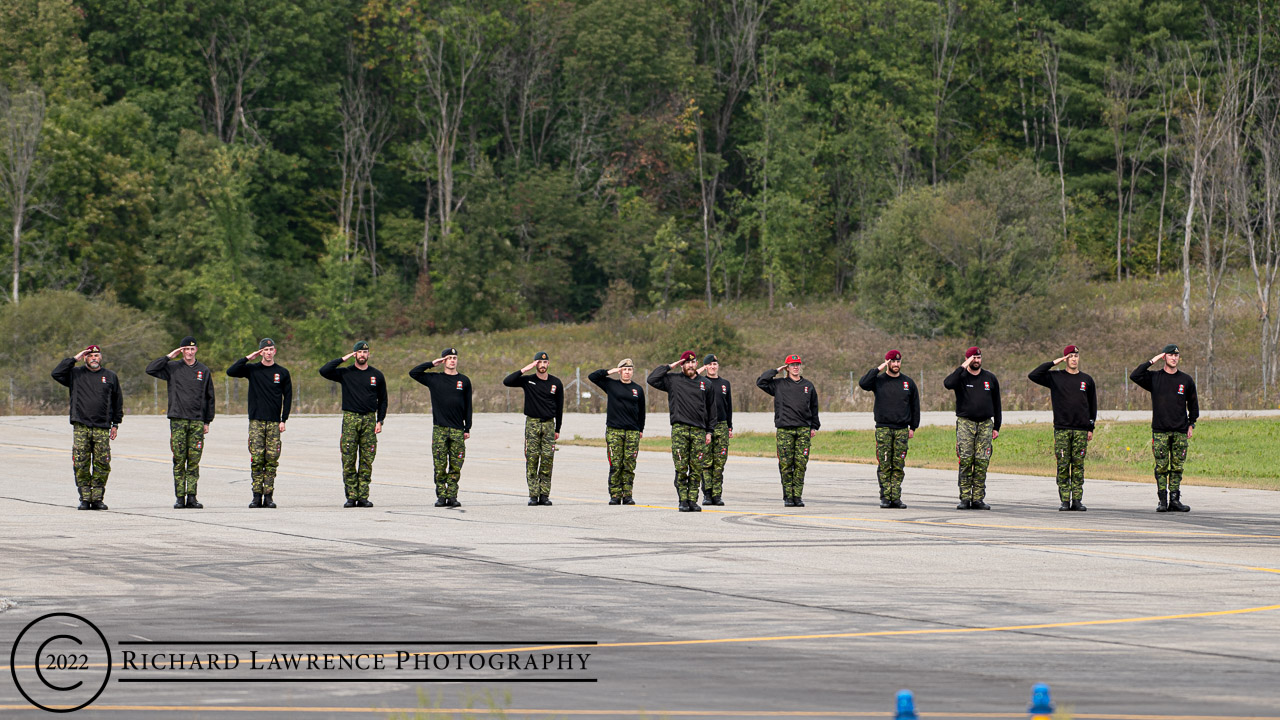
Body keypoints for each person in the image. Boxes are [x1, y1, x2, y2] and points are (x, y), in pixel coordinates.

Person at [146, 336, 216, 509]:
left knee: (193, 461)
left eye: (192, 349)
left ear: (196, 350)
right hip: (178, 419)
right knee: (179, 460)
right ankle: (180, 497)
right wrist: (169, 356)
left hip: (197, 421)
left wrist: (207, 420)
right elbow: (151, 369)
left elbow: (210, 397)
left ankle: (192, 496)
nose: (189, 352)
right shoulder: (172, 367)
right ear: (182, 351)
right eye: (186, 349)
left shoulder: (203, 370)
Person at [51, 345, 123, 510]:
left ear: (101, 357)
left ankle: (97, 498)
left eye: (96, 355)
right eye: (90, 355)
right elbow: (56, 373)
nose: (94, 358)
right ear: (85, 358)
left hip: (102, 427)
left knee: (102, 463)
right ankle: (84, 498)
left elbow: (117, 401)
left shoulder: (110, 376)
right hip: (81, 426)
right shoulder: (75, 374)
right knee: (81, 463)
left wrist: (115, 424)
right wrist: (74, 359)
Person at [1130, 344, 1199, 513]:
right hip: (1160, 430)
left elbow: (1193, 404)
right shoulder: (1155, 378)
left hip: (1180, 430)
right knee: (1161, 467)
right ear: (1164, 358)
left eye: (1176, 355)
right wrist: (1152, 361)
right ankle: (1162, 500)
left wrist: (1191, 423)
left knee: (1177, 467)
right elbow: (1135, 375)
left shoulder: (1186, 380)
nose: (1174, 358)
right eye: (1170, 355)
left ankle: (1175, 499)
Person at [319, 341, 387, 508]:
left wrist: (380, 420)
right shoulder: (345, 373)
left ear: (368, 354)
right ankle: (351, 496)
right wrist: (343, 359)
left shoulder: (376, 375)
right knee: (348, 458)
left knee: (366, 459)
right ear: (355, 354)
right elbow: (324, 371)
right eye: (359, 352)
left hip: (369, 419)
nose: (362, 355)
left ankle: (363, 496)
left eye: (365, 352)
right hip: (350, 419)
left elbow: (383, 400)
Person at [1028, 345, 1097, 511]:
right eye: (1070, 356)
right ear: (1065, 359)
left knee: (1078, 465)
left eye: (1076, 356)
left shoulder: (1086, 379)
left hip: (1080, 429)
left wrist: (1090, 427)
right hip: (1062, 429)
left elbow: (1092, 404)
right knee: (1063, 464)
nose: (1073, 359)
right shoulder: (1055, 377)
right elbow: (1033, 375)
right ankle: (1065, 500)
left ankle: (1077, 500)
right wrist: (1053, 362)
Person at [226, 338, 292, 509]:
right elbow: (231, 371)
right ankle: (256, 496)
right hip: (256, 421)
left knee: (271, 460)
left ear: (275, 351)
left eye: (271, 349)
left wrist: (283, 419)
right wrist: (248, 357)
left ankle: (268, 495)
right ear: (260, 352)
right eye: (265, 350)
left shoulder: (282, 372)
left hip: (274, 422)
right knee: (257, 459)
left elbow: (288, 397)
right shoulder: (252, 370)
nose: (268, 352)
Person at [648, 351, 715, 512]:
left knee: (696, 468)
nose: (690, 365)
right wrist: (670, 366)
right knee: (681, 467)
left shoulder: (706, 384)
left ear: (697, 364)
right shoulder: (673, 380)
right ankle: (683, 500)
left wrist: (709, 431)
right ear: (682, 365)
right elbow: (652, 379)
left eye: (693, 363)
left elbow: (712, 410)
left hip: (699, 430)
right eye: (686, 363)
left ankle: (693, 500)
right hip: (680, 429)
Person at [409, 348, 473, 508]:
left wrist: (467, 428)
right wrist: (432, 363)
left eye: (454, 358)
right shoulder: (434, 379)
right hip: (440, 429)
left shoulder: (464, 381)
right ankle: (441, 495)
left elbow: (468, 406)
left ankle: (452, 495)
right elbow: (414, 373)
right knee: (439, 465)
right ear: (443, 360)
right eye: (449, 358)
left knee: (456, 464)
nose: (452, 360)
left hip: (458, 429)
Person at [858, 350, 919, 509]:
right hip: (884, 428)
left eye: (898, 362)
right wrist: (878, 369)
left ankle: (896, 497)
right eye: (892, 361)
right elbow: (863, 383)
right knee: (885, 463)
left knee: (898, 464)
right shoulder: (878, 380)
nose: (896, 364)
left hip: (901, 429)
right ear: (887, 362)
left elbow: (915, 406)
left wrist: (913, 427)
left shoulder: (908, 383)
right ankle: (885, 496)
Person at [757, 355, 821, 507]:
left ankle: (797, 496)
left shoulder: (808, 385)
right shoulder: (779, 384)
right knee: (786, 464)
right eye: (792, 365)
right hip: (785, 429)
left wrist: (814, 426)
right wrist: (776, 371)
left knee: (800, 464)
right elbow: (761, 382)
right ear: (787, 368)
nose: (795, 367)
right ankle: (788, 496)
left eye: (797, 364)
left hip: (803, 429)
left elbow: (814, 407)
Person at [943, 346, 1001, 510]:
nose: (976, 361)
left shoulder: (989, 378)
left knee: (982, 461)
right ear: (967, 359)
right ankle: (965, 498)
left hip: (985, 424)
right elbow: (948, 383)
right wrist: (962, 367)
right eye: (973, 358)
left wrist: (996, 426)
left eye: (978, 358)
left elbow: (997, 403)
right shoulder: (961, 377)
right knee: (966, 461)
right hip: (966, 423)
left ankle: (978, 498)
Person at [503, 352, 564, 506]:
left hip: (549, 424)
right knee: (532, 459)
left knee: (547, 460)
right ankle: (533, 495)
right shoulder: (528, 380)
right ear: (535, 364)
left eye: (545, 363)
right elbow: (507, 381)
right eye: (539, 363)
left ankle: (544, 495)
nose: (542, 366)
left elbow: (560, 407)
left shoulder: (556, 382)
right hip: (532, 424)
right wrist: (525, 369)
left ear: (548, 364)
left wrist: (558, 428)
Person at [588, 359, 645, 505]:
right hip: (614, 430)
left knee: (629, 465)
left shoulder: (637, 389)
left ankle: (627, 495)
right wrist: (610, 372)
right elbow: (592, 377)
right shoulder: (611, 384)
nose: (627, 372)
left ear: (633, 371)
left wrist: (640, 429)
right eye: (624, 370)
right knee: (615, 464)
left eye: (629, 370)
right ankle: (615, 495)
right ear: (620, 371)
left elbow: (642, 411)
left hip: (632, 431)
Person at [697, 354, 732, 506]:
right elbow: (687, 379)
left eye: (715, 364)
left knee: (719, 463)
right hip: (705, 426)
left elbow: (728, 406)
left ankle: (717, 495)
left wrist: (730, 426)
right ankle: (707, 494)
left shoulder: (725, 384)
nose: (713, 367)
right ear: (705, 367)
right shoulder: (701, 382)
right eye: (709, 364)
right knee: (706, 462)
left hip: (722, 425)